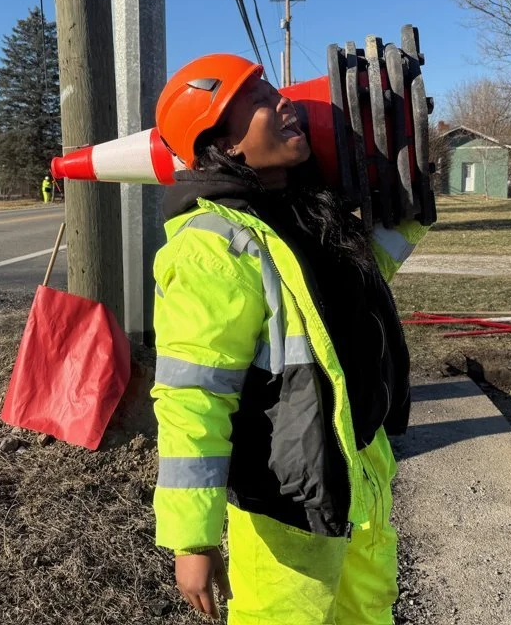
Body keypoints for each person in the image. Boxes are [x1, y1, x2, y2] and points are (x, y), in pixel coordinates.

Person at [150, 54, 426, 624]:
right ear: (222, 146)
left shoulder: (305, 210)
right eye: (254, 100)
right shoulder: (211, 248)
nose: (282, 100)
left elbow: (348, 292)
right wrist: (193, 540)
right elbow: (192, 395)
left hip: (355, 475)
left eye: (273, 87)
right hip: (285, 504)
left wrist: (412, 213)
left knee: (368, 613)